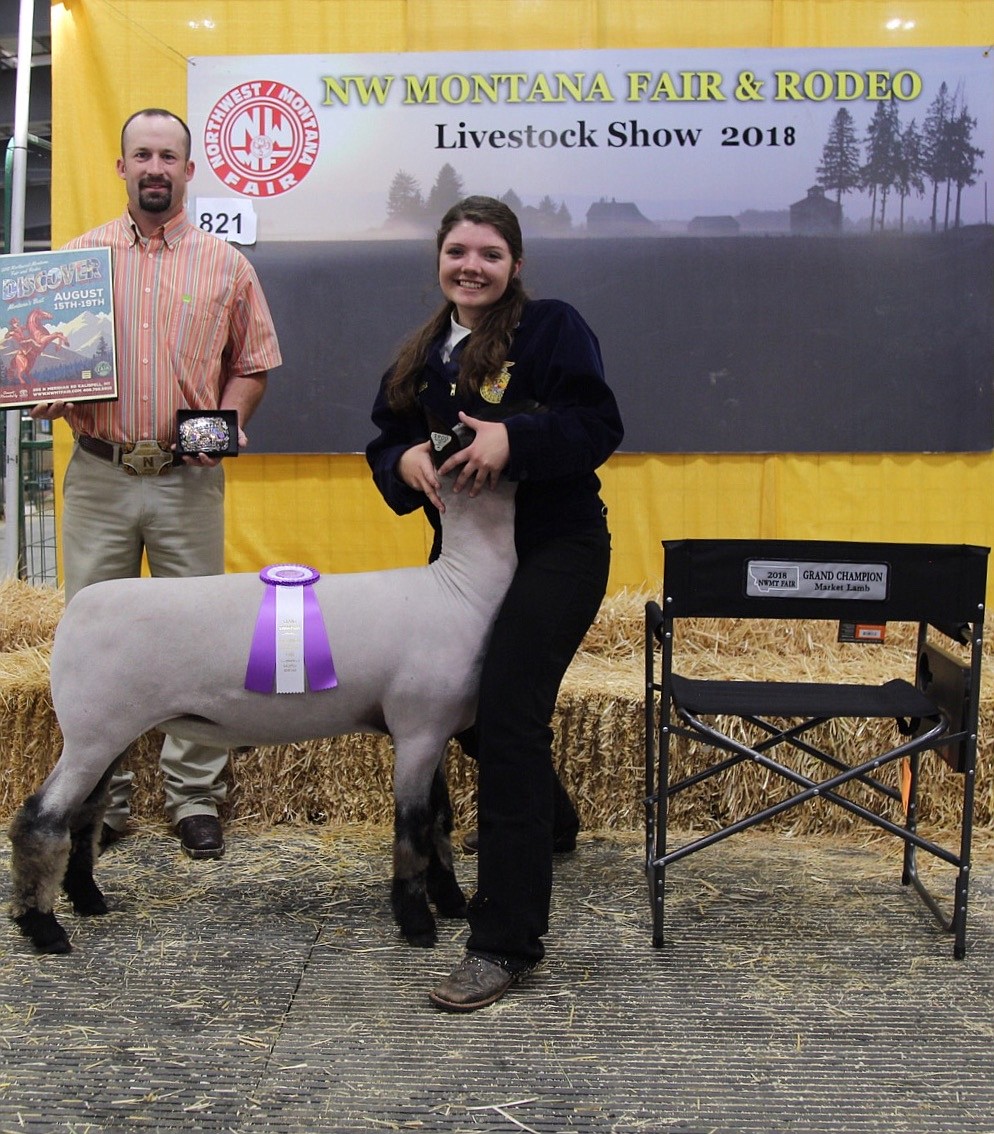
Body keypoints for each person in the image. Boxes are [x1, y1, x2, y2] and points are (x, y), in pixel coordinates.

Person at [366, 195, 623, 1011]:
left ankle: (503, 941)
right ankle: (550, 825)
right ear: (438, 261)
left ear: (514, 263)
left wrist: (518, 438)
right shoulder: (419, 353)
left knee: (509, 713)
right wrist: (401, 460)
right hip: (468, 559)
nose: (470, 265)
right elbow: (383, 437)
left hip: (557, 548)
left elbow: (598, 423)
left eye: (488, 252)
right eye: (457, 251)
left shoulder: (550, 327)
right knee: (471, 709)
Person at [30, 108, 282, 860]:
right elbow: (39, 357)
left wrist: (227, 424)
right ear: (121, 167)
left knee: (197, 640)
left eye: (168, 156)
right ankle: (99, 799)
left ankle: (193, 798)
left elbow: (255, 363)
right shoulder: (73, 265)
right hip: (100, 475)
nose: (154, 168)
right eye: (141, 154)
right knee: (97, 640)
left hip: (187, 482)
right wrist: (44, 386)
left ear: (189, 171)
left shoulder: (226, 265)